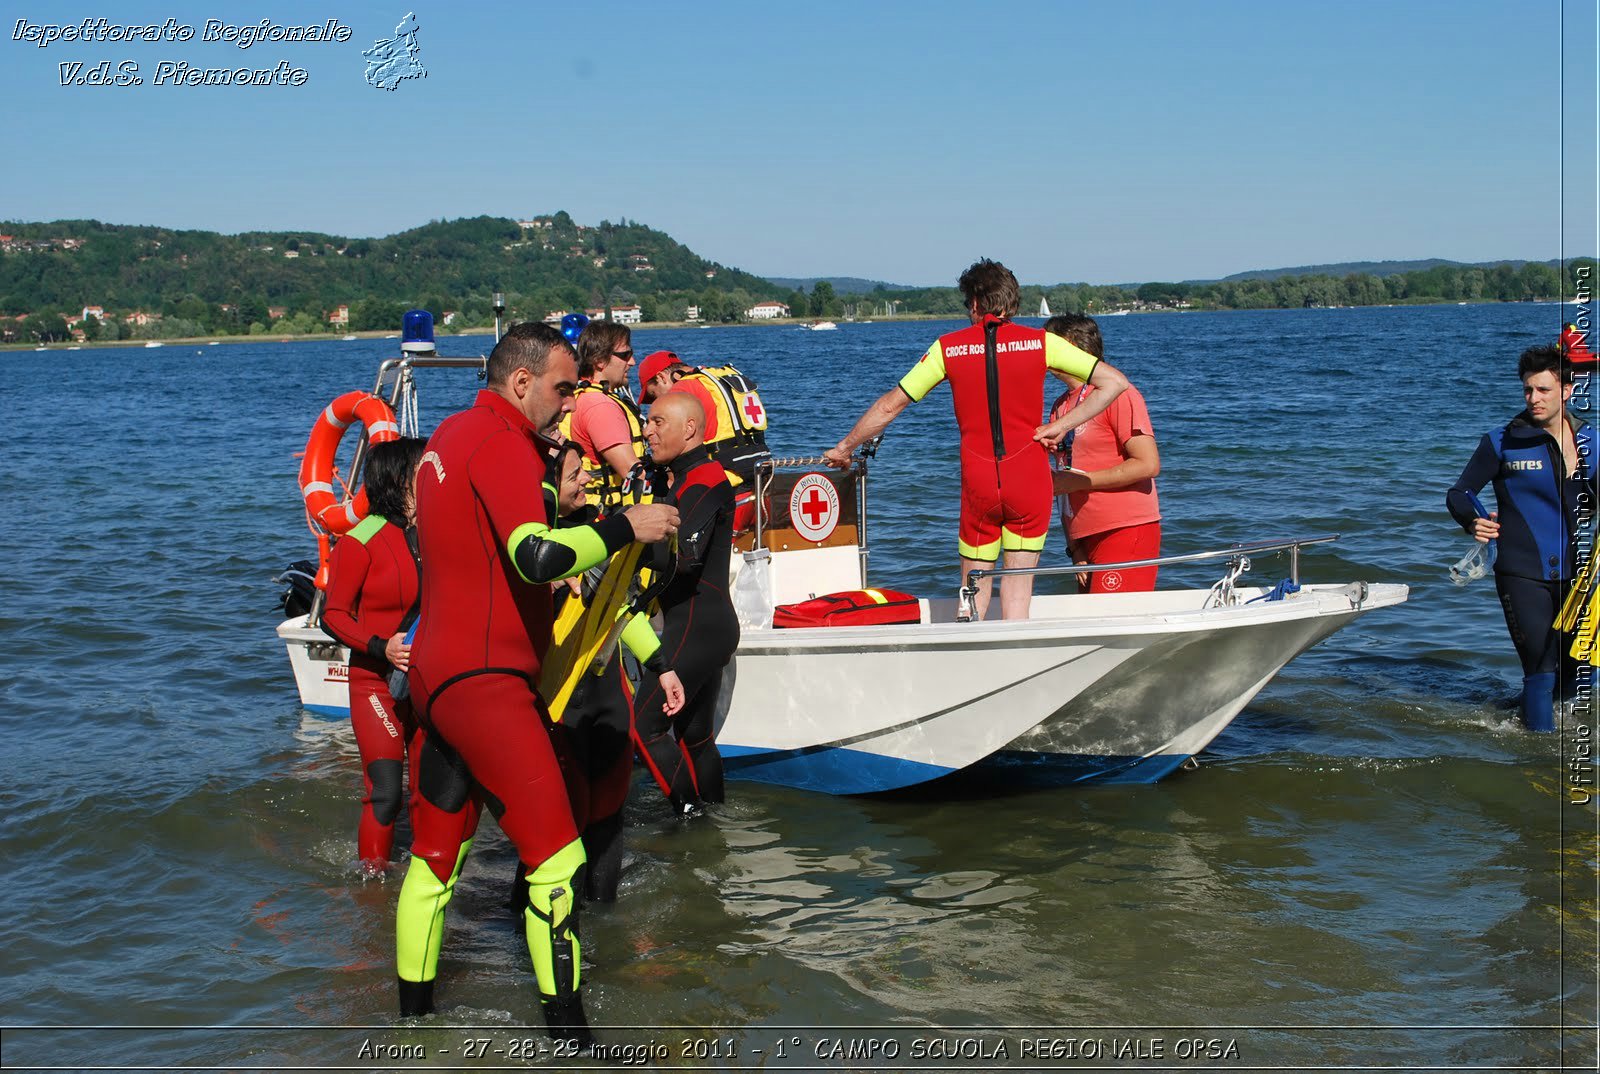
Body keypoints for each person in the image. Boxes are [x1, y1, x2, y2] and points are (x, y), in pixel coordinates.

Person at [393, 322, 679, 1041]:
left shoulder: (448, 440)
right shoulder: (502, 443)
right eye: (559, 389)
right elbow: (539, 557)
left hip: (435, 676)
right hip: (486, 682)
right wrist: (624, 526)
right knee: (557, 859)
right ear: (520, 383)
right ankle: (572, 1042)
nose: (567, 404)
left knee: (433, 865)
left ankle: (411, 1031)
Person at [823, 258, 1130, 620]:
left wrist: (845, 447)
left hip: (979, 483)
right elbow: (1115, 383)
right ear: (1011, 303)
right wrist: (1061, 426)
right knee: (1017, 594)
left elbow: (890, 407)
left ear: (973, 303)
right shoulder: (1042, 344)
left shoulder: (947, 348)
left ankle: (969, 649)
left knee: (971, 595)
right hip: (1028, 479)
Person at [543, 441, 683, 902]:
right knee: (557, 825)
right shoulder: (534, 551)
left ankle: (605, 920)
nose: (586, 480)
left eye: (583, 471)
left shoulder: (597, 533)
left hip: (607, 696)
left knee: (608, 813)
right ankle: (536, 928)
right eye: (573, 476)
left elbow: (619, 608)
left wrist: (661, 666)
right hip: (558, 704)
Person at [1447, 343, 1598, 732]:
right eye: (1528, 390)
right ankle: (1539, 758)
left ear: (1566, 390)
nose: (1534, 398)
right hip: (1521, 572)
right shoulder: (1502, 441)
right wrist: (1473, 520)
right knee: (1541, 666)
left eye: (1543, 390)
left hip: (1578, 576)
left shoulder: (1591, 443)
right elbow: (1460, 492)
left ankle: (1558, 733)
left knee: (1582, 667)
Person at [319, 436, 427, 875]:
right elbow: (334, 616)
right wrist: (382, 647)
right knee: (386, 790)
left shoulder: (431, 534)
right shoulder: (359, 540)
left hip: (423, 678)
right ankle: (371, 885)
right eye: (422, 469)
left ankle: (427, 878)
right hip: (375, 682)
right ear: (400, 479)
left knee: (428, 789)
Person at [631, 391, 740, 814]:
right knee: (695, 738)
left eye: (658, 422)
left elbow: (685, 560)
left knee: (646, 727)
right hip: (700, 623)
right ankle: (711, 815)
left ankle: (689, 816)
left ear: (689, 429)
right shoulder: (676, 478)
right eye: (647, 421)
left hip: (699, 625)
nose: (647, 430)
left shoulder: (706, 480)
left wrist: (620, 543)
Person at [1037, 315, 1162, 593]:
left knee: (1116, 623)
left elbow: (1148, 464)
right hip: (1084, 537)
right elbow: (1063, 486)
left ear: (1068, 347)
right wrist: (1074, 547)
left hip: (1125, 528)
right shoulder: (1059, 406)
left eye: (1046, 344)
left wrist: (1083, 482)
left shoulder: (1119, 393)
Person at [636, 350, 771, 486]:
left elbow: (673, 450)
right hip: (760, 469)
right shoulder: (719, 378)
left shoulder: (681, 390)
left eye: (653, 394)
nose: (657, 401)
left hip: (723, 480)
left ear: (661, 378)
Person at [558, 322, 646, 510]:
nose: (632, 362)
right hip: (607, 514)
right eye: (625, 355)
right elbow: (634, 475)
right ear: (599, 360)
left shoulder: (582, 396)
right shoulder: (600, 406)